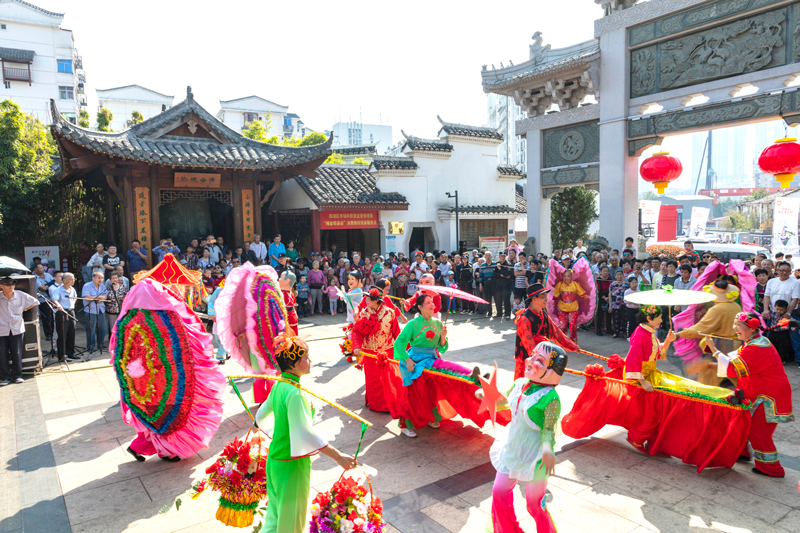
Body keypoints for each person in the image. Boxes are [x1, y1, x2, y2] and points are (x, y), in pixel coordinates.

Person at [255, 335, 356, 533]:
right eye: (306, 357)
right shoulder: (295, 394)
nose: (310, 361)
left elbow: (260, 415)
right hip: (291, 465)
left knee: (275, 518)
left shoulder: (278, 385)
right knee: (292, 522)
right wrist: (338, 456)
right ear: (292, 364)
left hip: (275, 460)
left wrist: (278, 431)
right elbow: (305, 433)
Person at [484, 342, 566, 533]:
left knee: (534, 504)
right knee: (498, 492)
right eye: (532, 355)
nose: (529, 361)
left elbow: (548, 430)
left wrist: (547, 451)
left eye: (539, 360)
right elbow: (505, 401)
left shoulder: (551, 398)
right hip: (512, 447)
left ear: (552, 370)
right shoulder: (520, 383)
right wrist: (488, 394)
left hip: (537, 455)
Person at [705, 312, 794, 477]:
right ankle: (742, 453)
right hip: (757, 391)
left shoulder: (757, 347)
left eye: (739, 325)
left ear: (752, 327)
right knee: (743, 423)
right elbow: (734, 359)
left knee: (759, 432)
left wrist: (713, 349)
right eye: (735, 324)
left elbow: (733, 368)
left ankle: (771, 468)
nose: (735, 328)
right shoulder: (753, 342)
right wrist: (710, 364)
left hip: (768, 396)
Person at [393, 293, 473, 437]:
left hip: (431, 358)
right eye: (428, 302)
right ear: (420, 307)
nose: (432, 305)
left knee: (430, 390)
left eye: (432, 302)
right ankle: (406, 425)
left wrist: (443, 337)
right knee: (413, 393)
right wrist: (407, 360)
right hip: (415, 359)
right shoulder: (413, 323)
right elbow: (399, 343)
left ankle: (431, 417)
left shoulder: (438, 323)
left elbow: (442, 347)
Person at [623, 306, 676, 452]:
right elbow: (632, 360)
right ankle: (636, 438)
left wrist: (668, 341)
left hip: (649, 374)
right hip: (640, 377)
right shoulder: (641, 334)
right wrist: (643, 382)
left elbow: (657, 352)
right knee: (652, 411)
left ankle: (655, 442)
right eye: (658, 317)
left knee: (659, 408)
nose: (661, 320)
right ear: (648, 318)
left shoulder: (649, 331)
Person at [676, 280, 742, 385]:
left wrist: (679, 334)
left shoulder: (717, 309)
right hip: (736, 344)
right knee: (733, 372)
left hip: (719, 344)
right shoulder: (736, 306)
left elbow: (701, 328)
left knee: (708, 375)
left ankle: (706, 398)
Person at [351, 287, 401, 412]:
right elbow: (356, 331)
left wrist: (403, 353)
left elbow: (397, 334)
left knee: (388, 379)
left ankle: (389, 404)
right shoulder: (363, 314)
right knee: (372, 379)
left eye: (369, 298)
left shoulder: (390, 313)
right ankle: (375, 404)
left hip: (387, 352)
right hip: (369, 353)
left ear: (377, 300)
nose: (366, 300)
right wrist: (356, 346)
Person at [514, 283, 578, 380]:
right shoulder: (524, 318)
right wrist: (542, 362)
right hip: (528, 363)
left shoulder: (544, 315)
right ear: (534, 299)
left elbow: (557, 334)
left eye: (545, 296)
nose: (546, 299)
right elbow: (529, 345)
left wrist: (573, 346)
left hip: (540, 362)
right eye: (542, 297)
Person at [0, 277, 39, 385]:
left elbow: (35, 302)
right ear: (1, 286)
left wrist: (24, 309)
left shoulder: (20, 295)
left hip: (16, 328)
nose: (11, 286)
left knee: (17, 352)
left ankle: (17, 375)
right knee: (2, 353)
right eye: (8, 285)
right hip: (2, 328)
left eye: (12, 284)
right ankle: (5, 377)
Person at [553, 270, 589, 343]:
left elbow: (582, 293)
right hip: (562, 307)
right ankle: (563, 341)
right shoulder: (559, 284)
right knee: (562, 326)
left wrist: (589, 297)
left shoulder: (575, 284)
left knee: (572, 327)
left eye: (568, 276)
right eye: (564, 276)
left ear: (571, 277)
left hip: (573, 307)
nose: (566, 278)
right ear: (562, 277)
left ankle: (573, 342)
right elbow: (554, 296)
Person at [50, 272, 78, 362]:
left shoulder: (72, 289)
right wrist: (58, 305)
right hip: (62, 313)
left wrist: (73, 304)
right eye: (71, 279)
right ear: (65, 280)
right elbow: (54, 299)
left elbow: (75, 297)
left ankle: (71, 353)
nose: (73, 280)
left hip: (71, 311)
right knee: (62, 334)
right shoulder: (58, 290)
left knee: (71, 333)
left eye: (74, 279)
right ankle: (62, 355)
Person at [82, 271, 108, 353]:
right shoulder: (87, 286)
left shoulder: (103, 286)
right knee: (91, 329)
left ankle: (101, 344)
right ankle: (91, 346)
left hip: (101, 309)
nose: (100, 280)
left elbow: (105, 296)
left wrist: (102, 297)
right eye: (99, 278)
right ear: (93, 278)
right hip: (91, 310)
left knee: (103, 328)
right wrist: (99, 297)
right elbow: (86, 297)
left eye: (102, 278)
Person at [33, 263, 55, 341]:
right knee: (46, 318)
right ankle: (48, 334)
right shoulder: (35, 278)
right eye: (40, 268)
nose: (43, 269)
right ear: (35, 270)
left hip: (52, 298)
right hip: (43, 300)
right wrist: (49, 284)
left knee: (53, 317)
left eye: (42, 268)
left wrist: (47, 285)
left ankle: (54, 332)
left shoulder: (48, 275)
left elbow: (54, 282)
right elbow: (43, 288)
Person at [104, 272, 128, 342]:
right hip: (111, 311)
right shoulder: (108, 289)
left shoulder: (122, 287)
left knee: (122, 326)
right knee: (113, 328)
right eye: (113, 278)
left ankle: (121, 342)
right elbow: (105, 298)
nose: (115, 279)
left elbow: (127, 297)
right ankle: (114, 343)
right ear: (110, 280)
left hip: (121, 311)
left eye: (116, 278)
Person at [609, 269, 627, 339]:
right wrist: (610, 306)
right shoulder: (612, 284)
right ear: (615, 276)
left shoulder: (626, 284)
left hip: (623, 305)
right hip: (615, 305)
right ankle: (616, 333)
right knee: (615, 320)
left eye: (621, 274)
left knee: (624, 320)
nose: (619, 276)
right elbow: (610, 295)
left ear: (623, 276)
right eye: (618, 275)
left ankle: (625, 333)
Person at [595, 266, 613, 336]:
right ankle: (598, 328)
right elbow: (597, 291)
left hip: (609, 298)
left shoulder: (610, 280)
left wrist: (609, 298)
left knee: (609, 314)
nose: (605, 272)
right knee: (600, 314)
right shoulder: (598, 280)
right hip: (601, 298)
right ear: (601, 272)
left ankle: (608, 328)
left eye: (607, 271)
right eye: (604, 271)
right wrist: (605, 298)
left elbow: (612, 289)